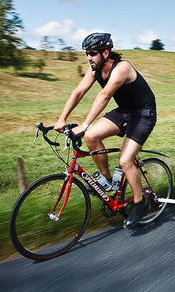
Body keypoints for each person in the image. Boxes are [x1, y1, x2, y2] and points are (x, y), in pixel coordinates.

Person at [54, 32, 157, 228]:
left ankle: (140, 201)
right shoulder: (94, 70)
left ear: (106, 52)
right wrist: (62, 118)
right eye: (86, 54)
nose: (89, 58)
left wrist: (83, 125)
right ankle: (108, 181)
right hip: (124, 111)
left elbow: (105, 94)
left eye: (92, 53)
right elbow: (78, 92)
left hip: (143, 114)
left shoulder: (122, 68)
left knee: (125, 160)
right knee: (92, 136)